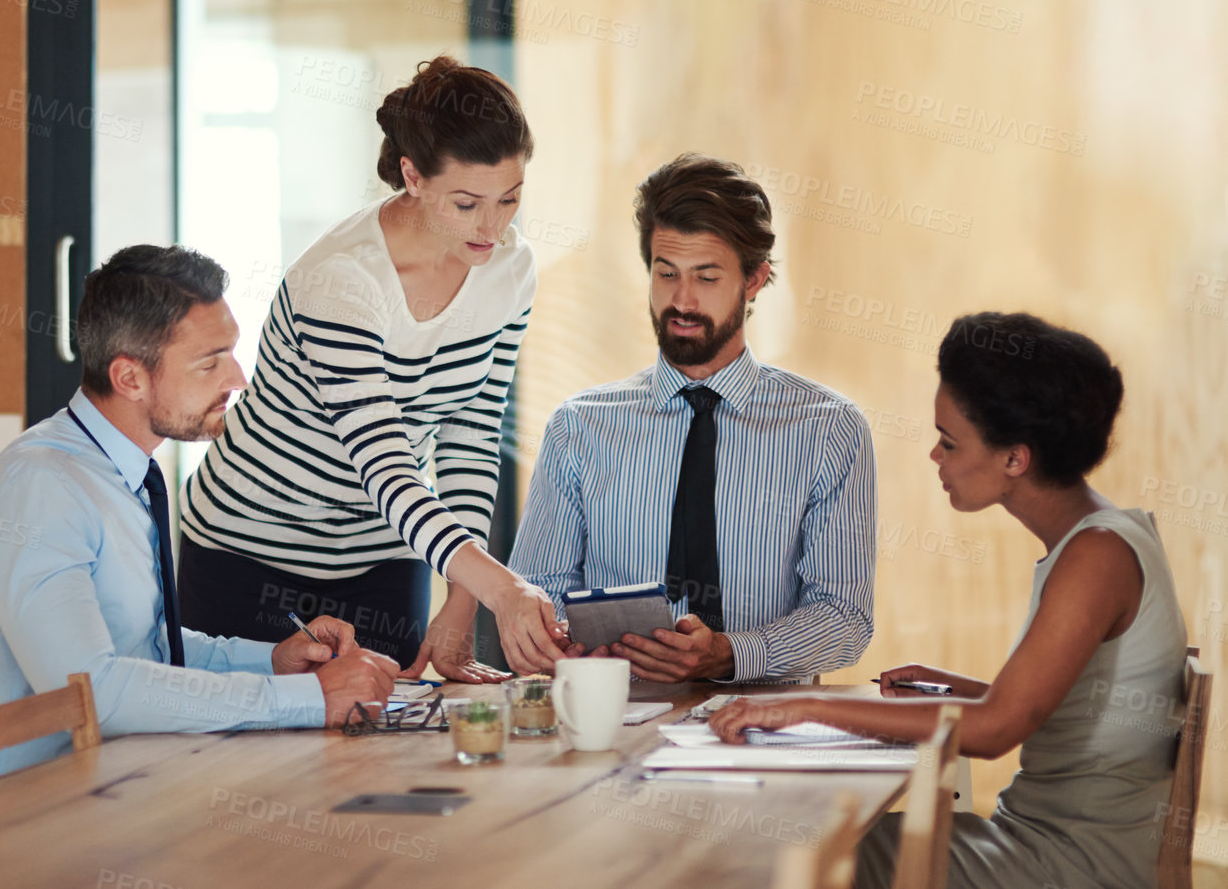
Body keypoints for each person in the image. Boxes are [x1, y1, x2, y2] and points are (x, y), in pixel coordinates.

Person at [711, 312, 1187, 889]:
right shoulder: (1110, 535)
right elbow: (1067, 709)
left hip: (1065, 865)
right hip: (1048, 844)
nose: (936, 457)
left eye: (949, 441)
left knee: (785, 850)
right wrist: (963, 690)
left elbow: (993, 732)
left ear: (1016, 458)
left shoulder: (1096, 557)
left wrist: (801, 707)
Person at [0, 246, 397, 797]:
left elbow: (147, 646)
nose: (238, 378)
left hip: (112, 792)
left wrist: (273, 660)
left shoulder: (116, 470)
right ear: (130, 377)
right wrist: (309, 700)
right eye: (210, 361)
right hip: (14, 825)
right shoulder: (42, 488)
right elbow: (92, 693)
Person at [178, 55, 565, 679]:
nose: (492, 228)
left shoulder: (510, 271)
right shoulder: (342, 279)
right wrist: (502, 588)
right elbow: (383, 463)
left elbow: (470, 437)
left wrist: (461, 604)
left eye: (509, 200)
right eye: (467, 204)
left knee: (381, 748)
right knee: (250, 757)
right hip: (249, 551)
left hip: (386, 551)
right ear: (412, 175)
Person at [510, 153, 876, 682]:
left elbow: (845, 616)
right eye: (666, 274)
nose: (681, 300)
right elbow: (536, 593)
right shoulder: (579, 427)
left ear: (754, 279)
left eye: (706, 277)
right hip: (615, 720)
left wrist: (733, 652)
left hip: (764, 728)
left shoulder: (828, 429)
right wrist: (562, 643)